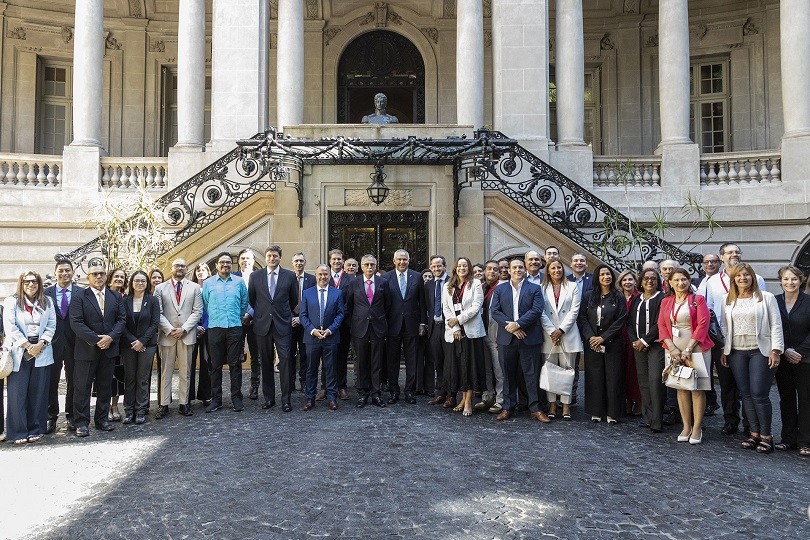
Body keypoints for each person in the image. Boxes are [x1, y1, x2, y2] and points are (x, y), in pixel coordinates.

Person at [698, 243, 767, 436]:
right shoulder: (712, 282)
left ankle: (750, 423)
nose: (734, 255)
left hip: (750, 340)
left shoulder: (757, 279)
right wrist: (718, 341)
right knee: (727, 384)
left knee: (748, 385)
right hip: (723, 340)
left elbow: (762, 306)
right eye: (729, 253)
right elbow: (709, 311)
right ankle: (730, 420)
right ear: (722, 258)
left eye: (737, 252)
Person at [719, 263, 784, 454]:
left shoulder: (766, 298)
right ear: (734, 279)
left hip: (760, 351)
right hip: (737, 351)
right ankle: (754, 434)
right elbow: (724, 327)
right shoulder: (727, 299)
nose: (743, 278)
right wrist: (725, 349)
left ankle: (767, 437)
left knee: (759, 394)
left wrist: (776, 350)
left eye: (746, 275)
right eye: (739, 276)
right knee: (745, 393)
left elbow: (776, 325)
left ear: (753, 277)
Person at [69, 263, 126, 437]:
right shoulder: (79, 296)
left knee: (105, 387)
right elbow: (76, 323)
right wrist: (96, 340)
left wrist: (110, 337)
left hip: (108, 349)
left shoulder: (115, 296)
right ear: (89, 277)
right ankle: (81, 423)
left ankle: (102, 420)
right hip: (86, 350)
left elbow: (121, 320)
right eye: (95, 274)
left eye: (101, 273)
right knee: (82, 387)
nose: (99, 277)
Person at [659, 268, 714, 445]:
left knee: (696, 387)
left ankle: (697, 427)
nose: (680, 283)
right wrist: (672, 348)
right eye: (676, 280)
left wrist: (689, 347)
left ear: (689, 281)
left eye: (684, 279)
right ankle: (686, 426)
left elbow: (703, 324)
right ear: (670, 283)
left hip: (696, 348)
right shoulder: (666, 302)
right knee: (681, 387)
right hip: (673, 349)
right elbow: (662, 325)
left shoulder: (698, 300)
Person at [489, 259, 549, 422]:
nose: (517, 270)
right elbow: (495, 311)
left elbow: (537, 310)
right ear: (508, 270)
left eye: (520, 267)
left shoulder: (535, 288)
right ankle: (508, 407)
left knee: (531, 374)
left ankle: (535, 408)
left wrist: (518, 324)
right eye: (514, 267)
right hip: (507, 338)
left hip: (529, 338)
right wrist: (512, 327)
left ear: (525, 269)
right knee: (507, 374)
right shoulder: (500, 289)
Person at [2, 271, 56, 445]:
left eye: (35, 281)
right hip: (20, 351)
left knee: (38, 393)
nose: (31, 284)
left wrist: (41, 344)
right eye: (27, 281)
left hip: (41, 351)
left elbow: (51, 324)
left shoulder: (47, 302)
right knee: (17, 394)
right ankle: (18, 432)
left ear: (39, 284)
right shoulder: (12, 302)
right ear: (21, 283)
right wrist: (27, 346)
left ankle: (34, 429)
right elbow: (10, 327)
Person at [248, 245, 298, 412]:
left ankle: (286, 399)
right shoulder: (255, 276)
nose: (272, 258)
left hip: (282, 325)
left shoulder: (290, 276)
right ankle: (269, 399)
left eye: (275, 256)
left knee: (285, 362)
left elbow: (293, 300)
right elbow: (252, 299)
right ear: (266, 257)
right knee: (266, 363)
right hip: (262, 325)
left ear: (280, 257)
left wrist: (283, 315)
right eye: (269, 256)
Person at [578, 264, 627, 424]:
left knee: (613, 378)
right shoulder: (588, 296)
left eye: (608, 274)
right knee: (594, 377)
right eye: (602, 275)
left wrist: (604, 337)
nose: (606, 277)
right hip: (592, 343)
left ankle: (613, 413)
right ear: (597, 278)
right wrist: (592, 337)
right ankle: (596, 411)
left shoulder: (618, 296)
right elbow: (582, 318)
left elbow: (621, 320)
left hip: (613, 343)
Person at [154, 259, 203, 418]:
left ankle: (184, 403)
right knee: (165, 371)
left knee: (186, 371)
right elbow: (158, 312)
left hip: (186, 335)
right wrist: (170, 329)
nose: (180, 268)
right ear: (172, 268)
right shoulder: (160, 288)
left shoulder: (195, 288)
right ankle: (164, 404)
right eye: (177, 266)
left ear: (186, 268)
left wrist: (184, 329)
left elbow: (197, 311)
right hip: (167, 336)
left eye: (183, 265)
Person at [202, 252, 249, 413]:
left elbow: (244, 303)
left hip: (235, 327)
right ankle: (216, 399)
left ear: (232, 265)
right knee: (215, 366)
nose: (225, 265)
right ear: (216, 265)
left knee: (235, 365)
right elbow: (205, 304)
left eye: (228, 262)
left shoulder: (239, 282)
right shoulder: (208, 284)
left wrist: (239, 316)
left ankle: (236, 398)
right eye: (222, 262)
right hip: (215, 328)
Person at [442, 257, 486, 417]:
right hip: (455, 333)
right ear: (455, 268)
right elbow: (446, 308)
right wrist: (455, 326)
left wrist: (459, 320)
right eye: (459, 265)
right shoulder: (448, 285)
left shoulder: (475, 284)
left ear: (469, 267)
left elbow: (476, 307)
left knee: (470, 368)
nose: (462, 268)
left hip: (472, 333)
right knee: (458, 368)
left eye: (465, 265)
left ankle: (468, 402)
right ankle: (461, 398)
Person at [539, 256, 582, 421]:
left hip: (568, 334)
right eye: (553, 268)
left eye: (559, 268)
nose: (556, 271)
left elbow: (574, 310)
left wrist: (561, 330)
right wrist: (552, 331)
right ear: (548, 271)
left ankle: (565, 405)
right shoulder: (541, 287)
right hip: (549, 335)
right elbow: (540, 311)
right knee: (550, 371)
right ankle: (551, 404)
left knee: (567, 372)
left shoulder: (572, 286)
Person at [774, 266, 810, 456]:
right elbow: (771, 328)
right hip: (783, 357)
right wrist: (785, 350)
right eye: (786, 279)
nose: (790, 283)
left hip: (806, 360)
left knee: (806, 400)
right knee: (786, 399)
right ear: (781, 281)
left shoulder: (809, 301)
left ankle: (805, 441)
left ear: (800, 280)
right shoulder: (774, 301)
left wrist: (799, 352)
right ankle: (788, 438)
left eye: (794, 279)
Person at [384, 249, 427, 404]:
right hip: (392, 325)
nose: (402, 262)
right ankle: (394, 391)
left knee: (412, 360)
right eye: (399, 260)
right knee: (392, 360)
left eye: (405, 260)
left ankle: (409, 391)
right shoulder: (386, 277)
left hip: (412, 324)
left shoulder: (416, 277)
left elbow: (422, 303)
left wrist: (423, 322)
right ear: (394, 260)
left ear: (409, 260)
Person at [300, 265, 346, 411]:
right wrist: (312, 330)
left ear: (329, 276)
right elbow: (303, 315)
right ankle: (310, 398)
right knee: (311, 370)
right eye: (320, 274)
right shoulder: (307, 293)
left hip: (330, 337)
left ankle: (332, 398)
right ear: (316, 275)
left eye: (326, 274)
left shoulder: (337, 293)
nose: (323, 277)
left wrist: (330, 330)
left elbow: (340, 314)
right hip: (311, 338)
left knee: (331, 369)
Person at [345, 254, 387, 408]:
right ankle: (363, 394)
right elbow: (348, 306)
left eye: (372, 264)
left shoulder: (383, 282)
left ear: (376, 266)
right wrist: (354, 324)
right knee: (361, 362)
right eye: (366, 264)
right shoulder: (354, 283)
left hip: (378, 327)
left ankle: (376, 394)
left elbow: (387, 305)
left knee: (377, 362)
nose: (369, 267)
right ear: (361, 267)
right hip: (359, 328)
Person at [44, 258, 81, 433]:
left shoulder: (82, 293)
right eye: (61, 270)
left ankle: (71, 416)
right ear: (55, 273)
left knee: (74, 381)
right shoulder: (46, 293)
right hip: (52, 344)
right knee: (52, 381)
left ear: (72, 272)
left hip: (75, 344)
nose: (64, 273)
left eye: (68, 270)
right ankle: (51, 416)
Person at [628, 268, 666, 433]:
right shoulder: (637, 299)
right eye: (646, 278)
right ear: (641, 282)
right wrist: (635, 341)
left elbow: (661, 322)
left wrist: (645, 340)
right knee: (643, 382)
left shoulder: (662, 298)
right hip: (638, 345)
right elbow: (629, 322)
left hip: (656, 345)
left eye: (653, 279)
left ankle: (657, 421)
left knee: (655, 381)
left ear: (657, 282)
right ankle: (647, 417)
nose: (649, 281)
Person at [121, 270, 160, 424]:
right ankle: (129, 410)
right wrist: (133, 341)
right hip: (128, 345)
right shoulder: (125, 300)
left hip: (147, 345)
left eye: (143, 281)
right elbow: (121, 322)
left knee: (142, 378)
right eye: (137, 280)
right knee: (130, 377)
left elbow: (154, 323)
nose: (140, 283)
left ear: (147, 283)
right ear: (131, 283)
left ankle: (141, 410)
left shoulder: (152, 300)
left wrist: (142, 341)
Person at [476, 260, 505, 413]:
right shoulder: (480, 287)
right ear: (484, 271)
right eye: (489, 269)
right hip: (481, 332)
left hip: (496, 334)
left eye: (495, 269)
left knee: (498, 369)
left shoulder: (502, 287)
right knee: (485, 368)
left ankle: (500, 399)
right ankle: (487, 396)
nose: (492, 272)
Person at [424, 255, 451, 406]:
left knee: (450, 361)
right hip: (434, 326)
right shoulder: (428, 285)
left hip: (449, 326)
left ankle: (451, 394)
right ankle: (440, 393)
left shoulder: (452, 282)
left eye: (439, 266)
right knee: (438, 361)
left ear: (444, 266)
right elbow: (426, 306)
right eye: (433, 266)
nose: (436, 269)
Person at [328, 248, 354, 400]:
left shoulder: (350, 279)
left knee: (342, 356)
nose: (337, 261)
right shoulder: (323, 276)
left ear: (343, 261)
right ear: (330, 261)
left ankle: (342, 386)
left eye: (339, 259)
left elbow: (352, 301)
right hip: (326, 324)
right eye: (334, 259)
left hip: (344, 324)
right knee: (326, 357)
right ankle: (326, 387)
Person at [234, 248, 261, 400]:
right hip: (237, 322)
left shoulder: (259, 277)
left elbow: (261, 299)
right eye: (242, 258)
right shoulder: (233, 277)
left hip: (255, 321)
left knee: (256, 356)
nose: (245, 260)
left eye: (248, 258)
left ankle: (255, 386)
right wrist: (241, 315)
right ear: (238, 261)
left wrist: (249, 314)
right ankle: (237, 388)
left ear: (253, 260)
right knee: (236, 355)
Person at [567, 252, 593, 404]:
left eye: (582, 261)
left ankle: (591, 398)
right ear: (571, 264)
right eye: (575, 261)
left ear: (586, 264)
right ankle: (571, 394)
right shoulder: (566, 280)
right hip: (571, 327)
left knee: (591, 363)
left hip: (590, 326)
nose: (579, 263)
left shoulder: (594, 280)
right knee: (572, 363)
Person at [617, 269, 642, 416]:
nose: (627, 282)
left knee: (635, 372)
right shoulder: (617, 297)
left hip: (635, 338)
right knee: (622, 371)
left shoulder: (639, 297)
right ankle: (626, 401)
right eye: (624, 280)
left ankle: (639, 401)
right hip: (619, 338)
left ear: (635, 281)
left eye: (630, 280)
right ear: (620, 283)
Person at [290, 252, 316, 392]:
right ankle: (290, 381)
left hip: (306, 322)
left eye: (301, 261)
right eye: (296, 261)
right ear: (292, 263)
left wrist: (301, 318)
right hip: (290, 322)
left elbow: (313, 301)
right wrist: (291, 317)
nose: (299, 263)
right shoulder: (287, 278)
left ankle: (304, 381)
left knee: (305, 354)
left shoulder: (312, 279)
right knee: (290, 353)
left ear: (305, 262)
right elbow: (283, 301)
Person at [188, 262, 212, 405]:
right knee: (189, 363)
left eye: (204, 269)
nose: (201, 272)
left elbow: (214, 308)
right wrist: (195, 326)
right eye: (198, 270)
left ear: (209, 272)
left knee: (206, 362)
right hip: (191, 329)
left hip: (208, 329)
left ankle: (206, 394)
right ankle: (188, 396)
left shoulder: (212, 287)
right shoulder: (190, 288)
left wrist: (205, 326)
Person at [105, 268, 127, 422]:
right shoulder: (103, 295)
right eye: (116, 276)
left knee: (118, 376)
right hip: (106, 340)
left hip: (122, 343)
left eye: (122, 277)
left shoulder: (127, 297)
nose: (119, 279)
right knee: (105, 376)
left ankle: (115, 406)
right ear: (110, 279)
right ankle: (104, 407)